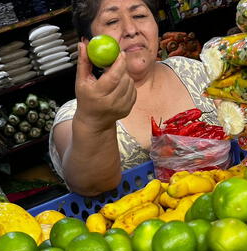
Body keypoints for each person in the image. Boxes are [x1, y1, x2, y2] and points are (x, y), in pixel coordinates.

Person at [49, 0, 219, 196]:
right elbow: (90, 184)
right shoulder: (76, 114)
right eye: (112, 21)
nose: (130, 30)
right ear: (87, 44)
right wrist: (94, 121)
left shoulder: (195, 71)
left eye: (139, 16)